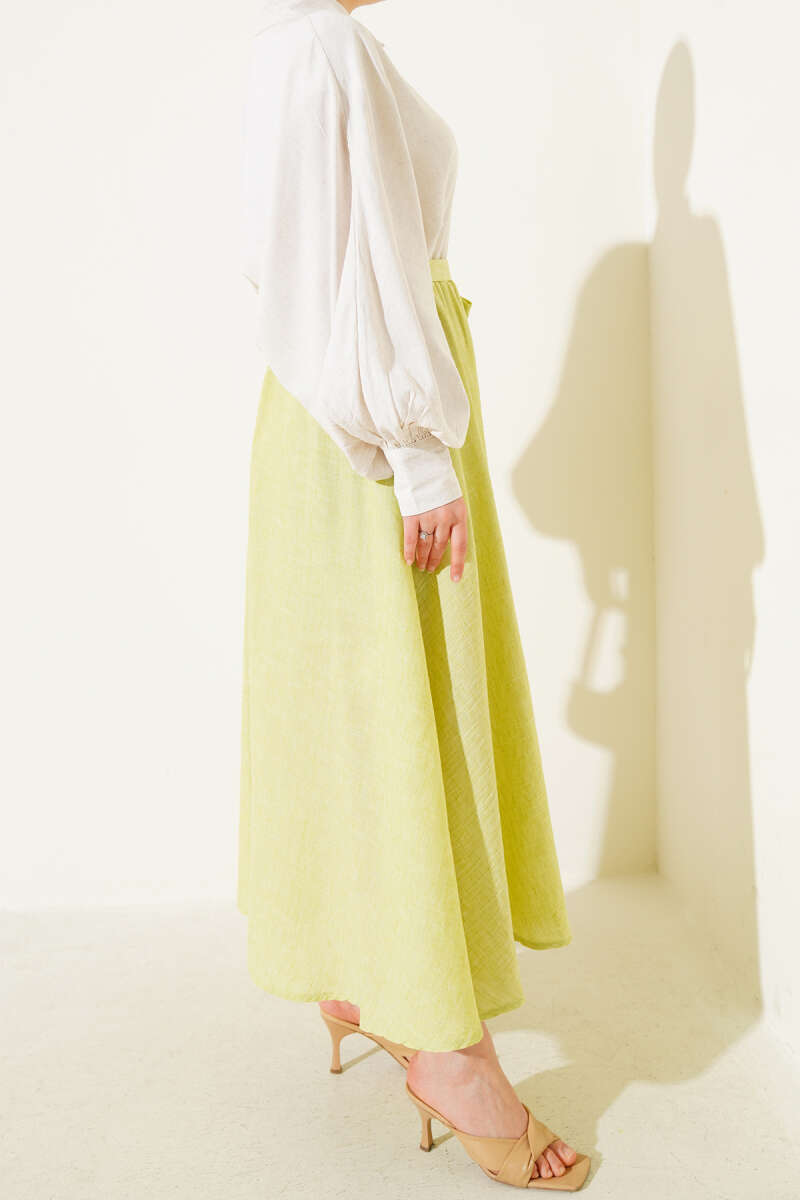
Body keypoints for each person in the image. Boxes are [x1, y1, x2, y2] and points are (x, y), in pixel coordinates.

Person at [237, 0, 590, 1189]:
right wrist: (418, 450)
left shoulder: (305, 45)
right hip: (373, 442)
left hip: (342, 425)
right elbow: (347, 265)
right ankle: (448, 1050)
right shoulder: (323, 48)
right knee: (400, 710)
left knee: (361, 702)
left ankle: (361, 976)